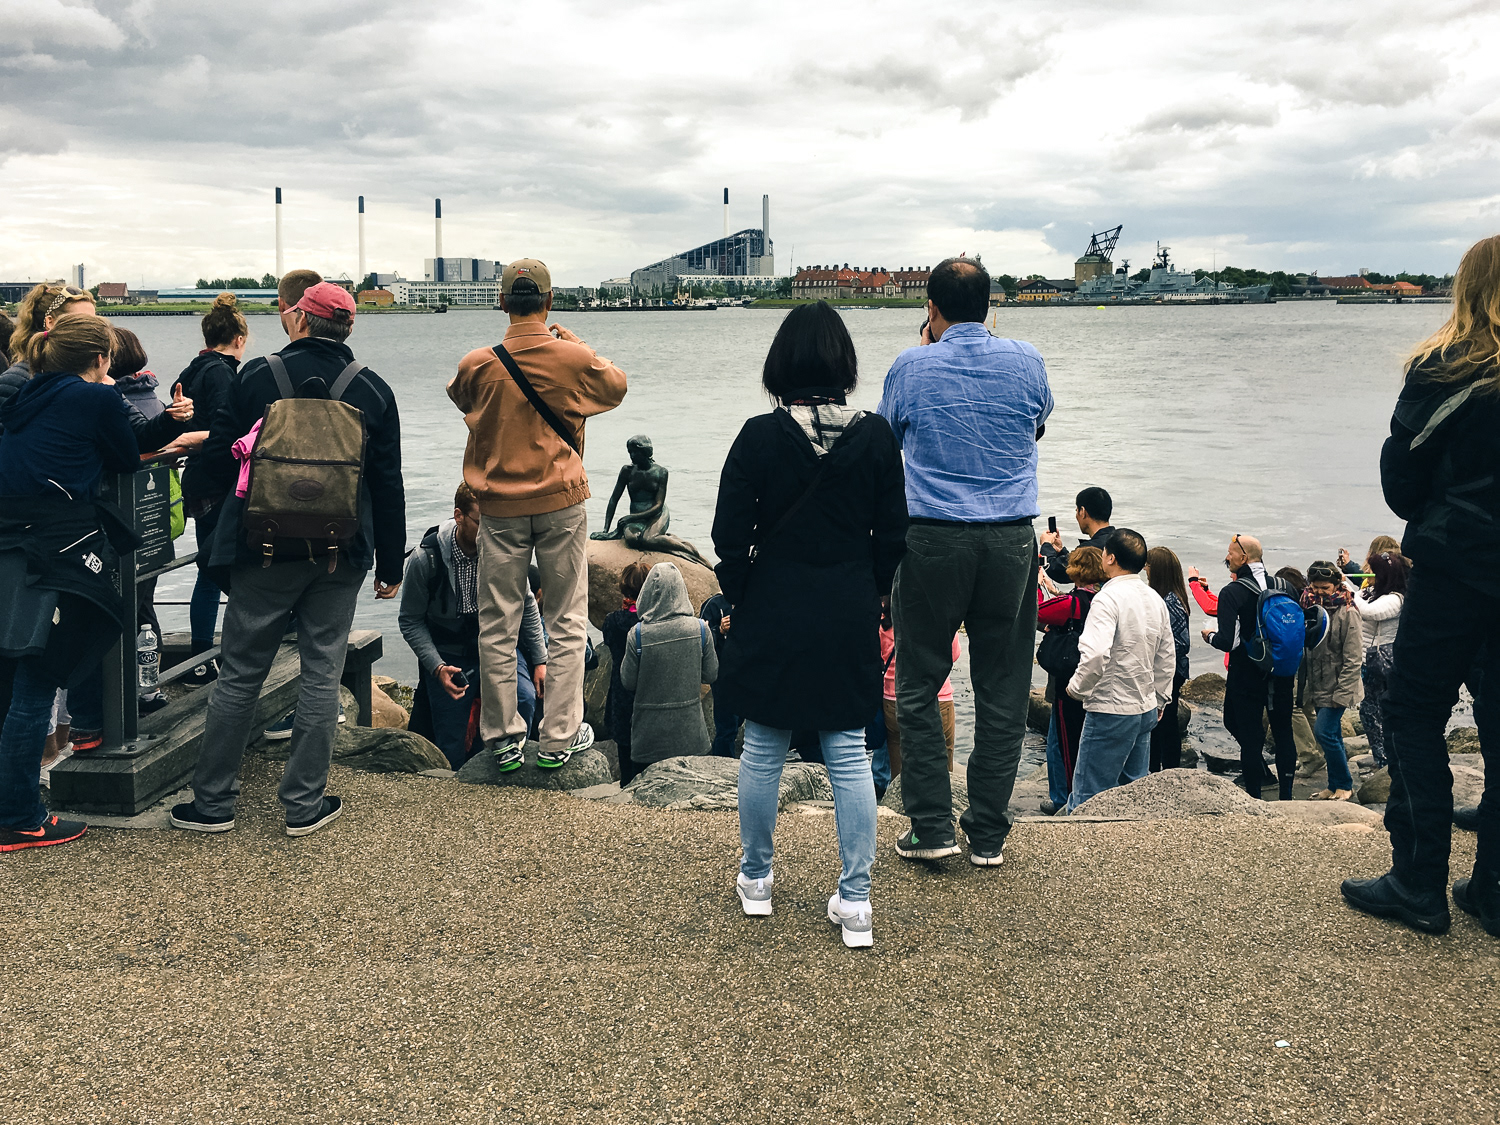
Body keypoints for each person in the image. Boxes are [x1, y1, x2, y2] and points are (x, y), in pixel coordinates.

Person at [169, 280, 405, 838]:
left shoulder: (257, 376)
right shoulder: (372, 388)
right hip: (339, 551)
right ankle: (302, 805)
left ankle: (213, 804)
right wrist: (391, 564)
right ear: (349, 327)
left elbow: (220, 455)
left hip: (262, 547)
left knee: (239, 673)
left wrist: (214, 524)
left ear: (299, 319)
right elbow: (387, 484)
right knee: (322, 673)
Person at [713, 300, 907, 946]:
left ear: (780, 365)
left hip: (772, 604)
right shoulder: (876, 437)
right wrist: (872, 592)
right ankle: (856, 900)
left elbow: (728, 534)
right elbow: (894, 534)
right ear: (844, 365)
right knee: (848, 749)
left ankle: (757, 879)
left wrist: (742, 594)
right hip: (846, 606)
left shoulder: (757, 436)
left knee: (764, 745)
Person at [1341, 234, 1500, 938]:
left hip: (1457, 564)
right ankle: (1492, 888)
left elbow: (1402, 482)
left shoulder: (1445, 368)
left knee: (1413, 713)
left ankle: (1418, 879)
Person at [878, 257, 1053, 866]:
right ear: (990, 307)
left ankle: (931, 828)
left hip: (932, 537)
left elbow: (888, 442)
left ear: (930, 308)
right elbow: (1034, 426)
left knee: (919, 683)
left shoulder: (910, 365)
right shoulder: (1027, 360)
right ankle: (988, 834)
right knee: (1004, 688)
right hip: (1010, 538)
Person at [448, 259, 627, 772]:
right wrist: (577, 344)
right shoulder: (572, 358)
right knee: (566, 618)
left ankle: (503, 737)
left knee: (497, 620)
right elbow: (615, 386)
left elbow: (460, 397)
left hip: (498, 508)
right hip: (561, 501)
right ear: (549, 302)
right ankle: (559, 736)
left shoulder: (477, 364)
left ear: (502, 302)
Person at [0, 316, 142, 851]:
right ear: (101, 359)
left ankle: (13, 806)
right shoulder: (97, 397)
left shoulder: (25, 393)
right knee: (39, 681)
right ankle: (19, 817)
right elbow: (126, 457)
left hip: (11, 541)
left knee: (11, 677)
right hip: (57, 546)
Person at [400, 483, 547, 769]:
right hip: (449, 653)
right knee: (451, 738)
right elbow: (410, 620)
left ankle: (505, 769)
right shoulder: (425, 559)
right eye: (482, 523)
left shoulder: (503, 551)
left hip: (496, 646)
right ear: (459, 516)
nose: (491, 532)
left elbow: (527, 604)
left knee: (525, 699)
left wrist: (540, 660)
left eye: (495, 523)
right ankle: (458, 784)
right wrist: (437, 667)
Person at [1061, 530, 1175, 812]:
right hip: (1145, 707)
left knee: (1088, 795)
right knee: (1132, 795)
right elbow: (1165, 656)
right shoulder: (1155, 598)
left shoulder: (1107, 598)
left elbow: (1096, 654)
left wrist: (1076, 689)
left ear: (1110, 558)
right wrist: (1161, 698)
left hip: (1110, 708)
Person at [172, 291, 252, 686]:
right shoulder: (223, 373)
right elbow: (226, 428)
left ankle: (201, 657)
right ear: (239, 339)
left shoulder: (192, 369)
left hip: (196, 478)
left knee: (208, 568)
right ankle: (229, 655)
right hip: (219, 482)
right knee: (226, 568)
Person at [1201, 534, 1297, 799]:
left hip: (1246, 674)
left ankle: (1255, 796)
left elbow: (1228, 642)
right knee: (1283, 732)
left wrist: (1209, 636)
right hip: (1281, 671)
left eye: (1230, 552)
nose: (1227, 557)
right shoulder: (1285, 586)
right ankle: (1287, 796)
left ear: (1243, 558)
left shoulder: (1232, 591)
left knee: (1250, 737)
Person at [619, 562, 718, 765]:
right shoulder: (700, 629)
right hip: (692, 736)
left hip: (648, 740)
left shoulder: (637, 634)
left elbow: (628, 682)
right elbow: (711, 674)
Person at [1035, 546, 1107, 812]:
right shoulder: (1102, 599)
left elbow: (1037, 611)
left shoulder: (1071, 603)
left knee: (1064, 741)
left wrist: (1037, 587)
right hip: (1099, 680)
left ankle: (1064, 799)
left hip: (1069, 680)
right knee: (1085, 740)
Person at [1302, 560, 1365, 800]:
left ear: (1337, 585)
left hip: (1339, 685)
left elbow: (1354, 658)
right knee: (1333, 735)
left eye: (1325, 588)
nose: (1319, 592)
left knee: (1324, 733)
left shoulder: (1348, 612)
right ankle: (1333, 785)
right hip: (1317, 683)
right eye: (1315, 587)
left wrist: (1342, 693)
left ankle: (1345, 785)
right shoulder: (1309, 606)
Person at [1345, 551, 1408, 769]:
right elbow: (1358, 598)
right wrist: (1346, 585)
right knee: (1369, 711)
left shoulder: (1396, 599)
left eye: (1372, 570)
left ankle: (1387, 759)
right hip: (1368, 660)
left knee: (1381, 710)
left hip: (1384, 661)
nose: (1367, 573)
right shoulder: (1372, 592)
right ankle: (1381, 756)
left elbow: (1368, 612)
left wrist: (1345, 587)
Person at [0, 283, 97, 424]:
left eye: (95, 322)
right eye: (80, 322)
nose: (94, 330)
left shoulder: (94, 373)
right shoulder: (14, 382)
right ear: (50, 322)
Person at [879, 619, 960, 778]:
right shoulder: (943, 618)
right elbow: (953, 655)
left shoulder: (886, 621)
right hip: (938, 696)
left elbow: (880, 655)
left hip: (893, 698)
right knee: (943, 763)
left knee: (899, 768)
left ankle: (899, 792)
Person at [602, 561, 651, 783]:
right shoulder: (650, 623)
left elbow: (609, 642)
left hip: (620, 691)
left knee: (625, 752)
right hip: (647, 692)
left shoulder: (613, 621)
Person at [1145, 546, 1191, 772]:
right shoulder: (1169, 597)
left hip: (1170, 671)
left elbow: (1182, 643)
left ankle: (1166, 769)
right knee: (1163, 724)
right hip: (1170, 669)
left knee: (1165, 723)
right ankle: (1159, 767)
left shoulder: (1170, 602)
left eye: (1148, 565)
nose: (1145, 569)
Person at [1040, 486, 1114, 584]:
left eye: (1076, 510)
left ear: (1082, 512)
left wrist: (1046, 545)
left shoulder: (1090, 549)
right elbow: (1074, 565)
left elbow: (1057, 570)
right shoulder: (1121, 540)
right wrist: (1061, 552)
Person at [699, 591, 741, 758]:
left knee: (738, 722)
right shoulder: (714, 604)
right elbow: (702, 639)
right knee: (727, 727)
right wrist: (720, 630)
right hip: (722, 674)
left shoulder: (750, 602)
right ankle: (722, 763)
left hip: (745, 673)